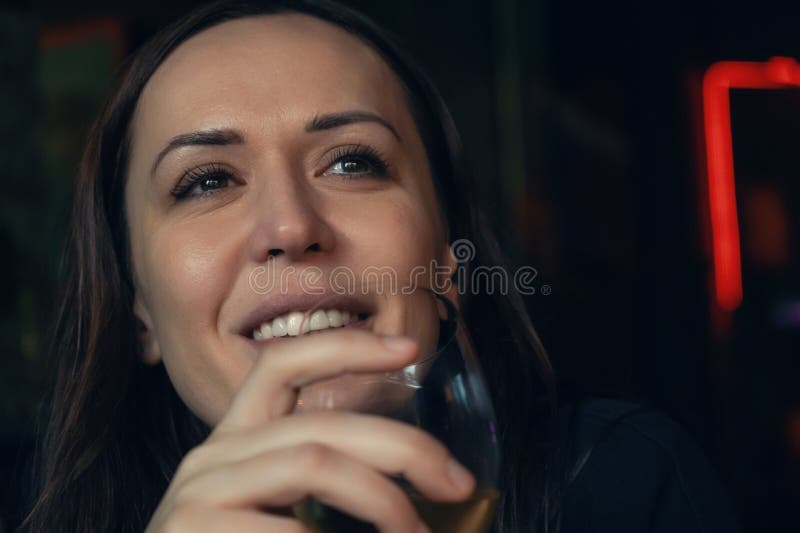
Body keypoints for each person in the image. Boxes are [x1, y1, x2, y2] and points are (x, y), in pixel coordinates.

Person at [18, 1, 742, 532]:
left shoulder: (623, 485)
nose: (291, 226)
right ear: (139, 306)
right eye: (207, 180)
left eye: (353, 162)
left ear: (448, 260)